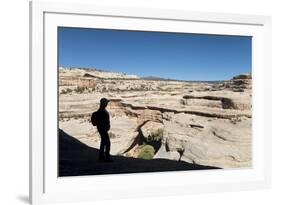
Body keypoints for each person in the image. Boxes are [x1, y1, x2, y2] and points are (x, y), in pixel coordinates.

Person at [96, 98, 112, 162]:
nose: (107, 104)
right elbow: (103, 121)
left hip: (101, 128)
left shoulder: (100, 110)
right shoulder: (102, 111)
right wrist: (106, 127)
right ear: (104, 103)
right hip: (103, 129)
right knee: (107, 143)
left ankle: (101, 156)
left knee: (103, 142)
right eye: (106, 103)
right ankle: (106, 157)